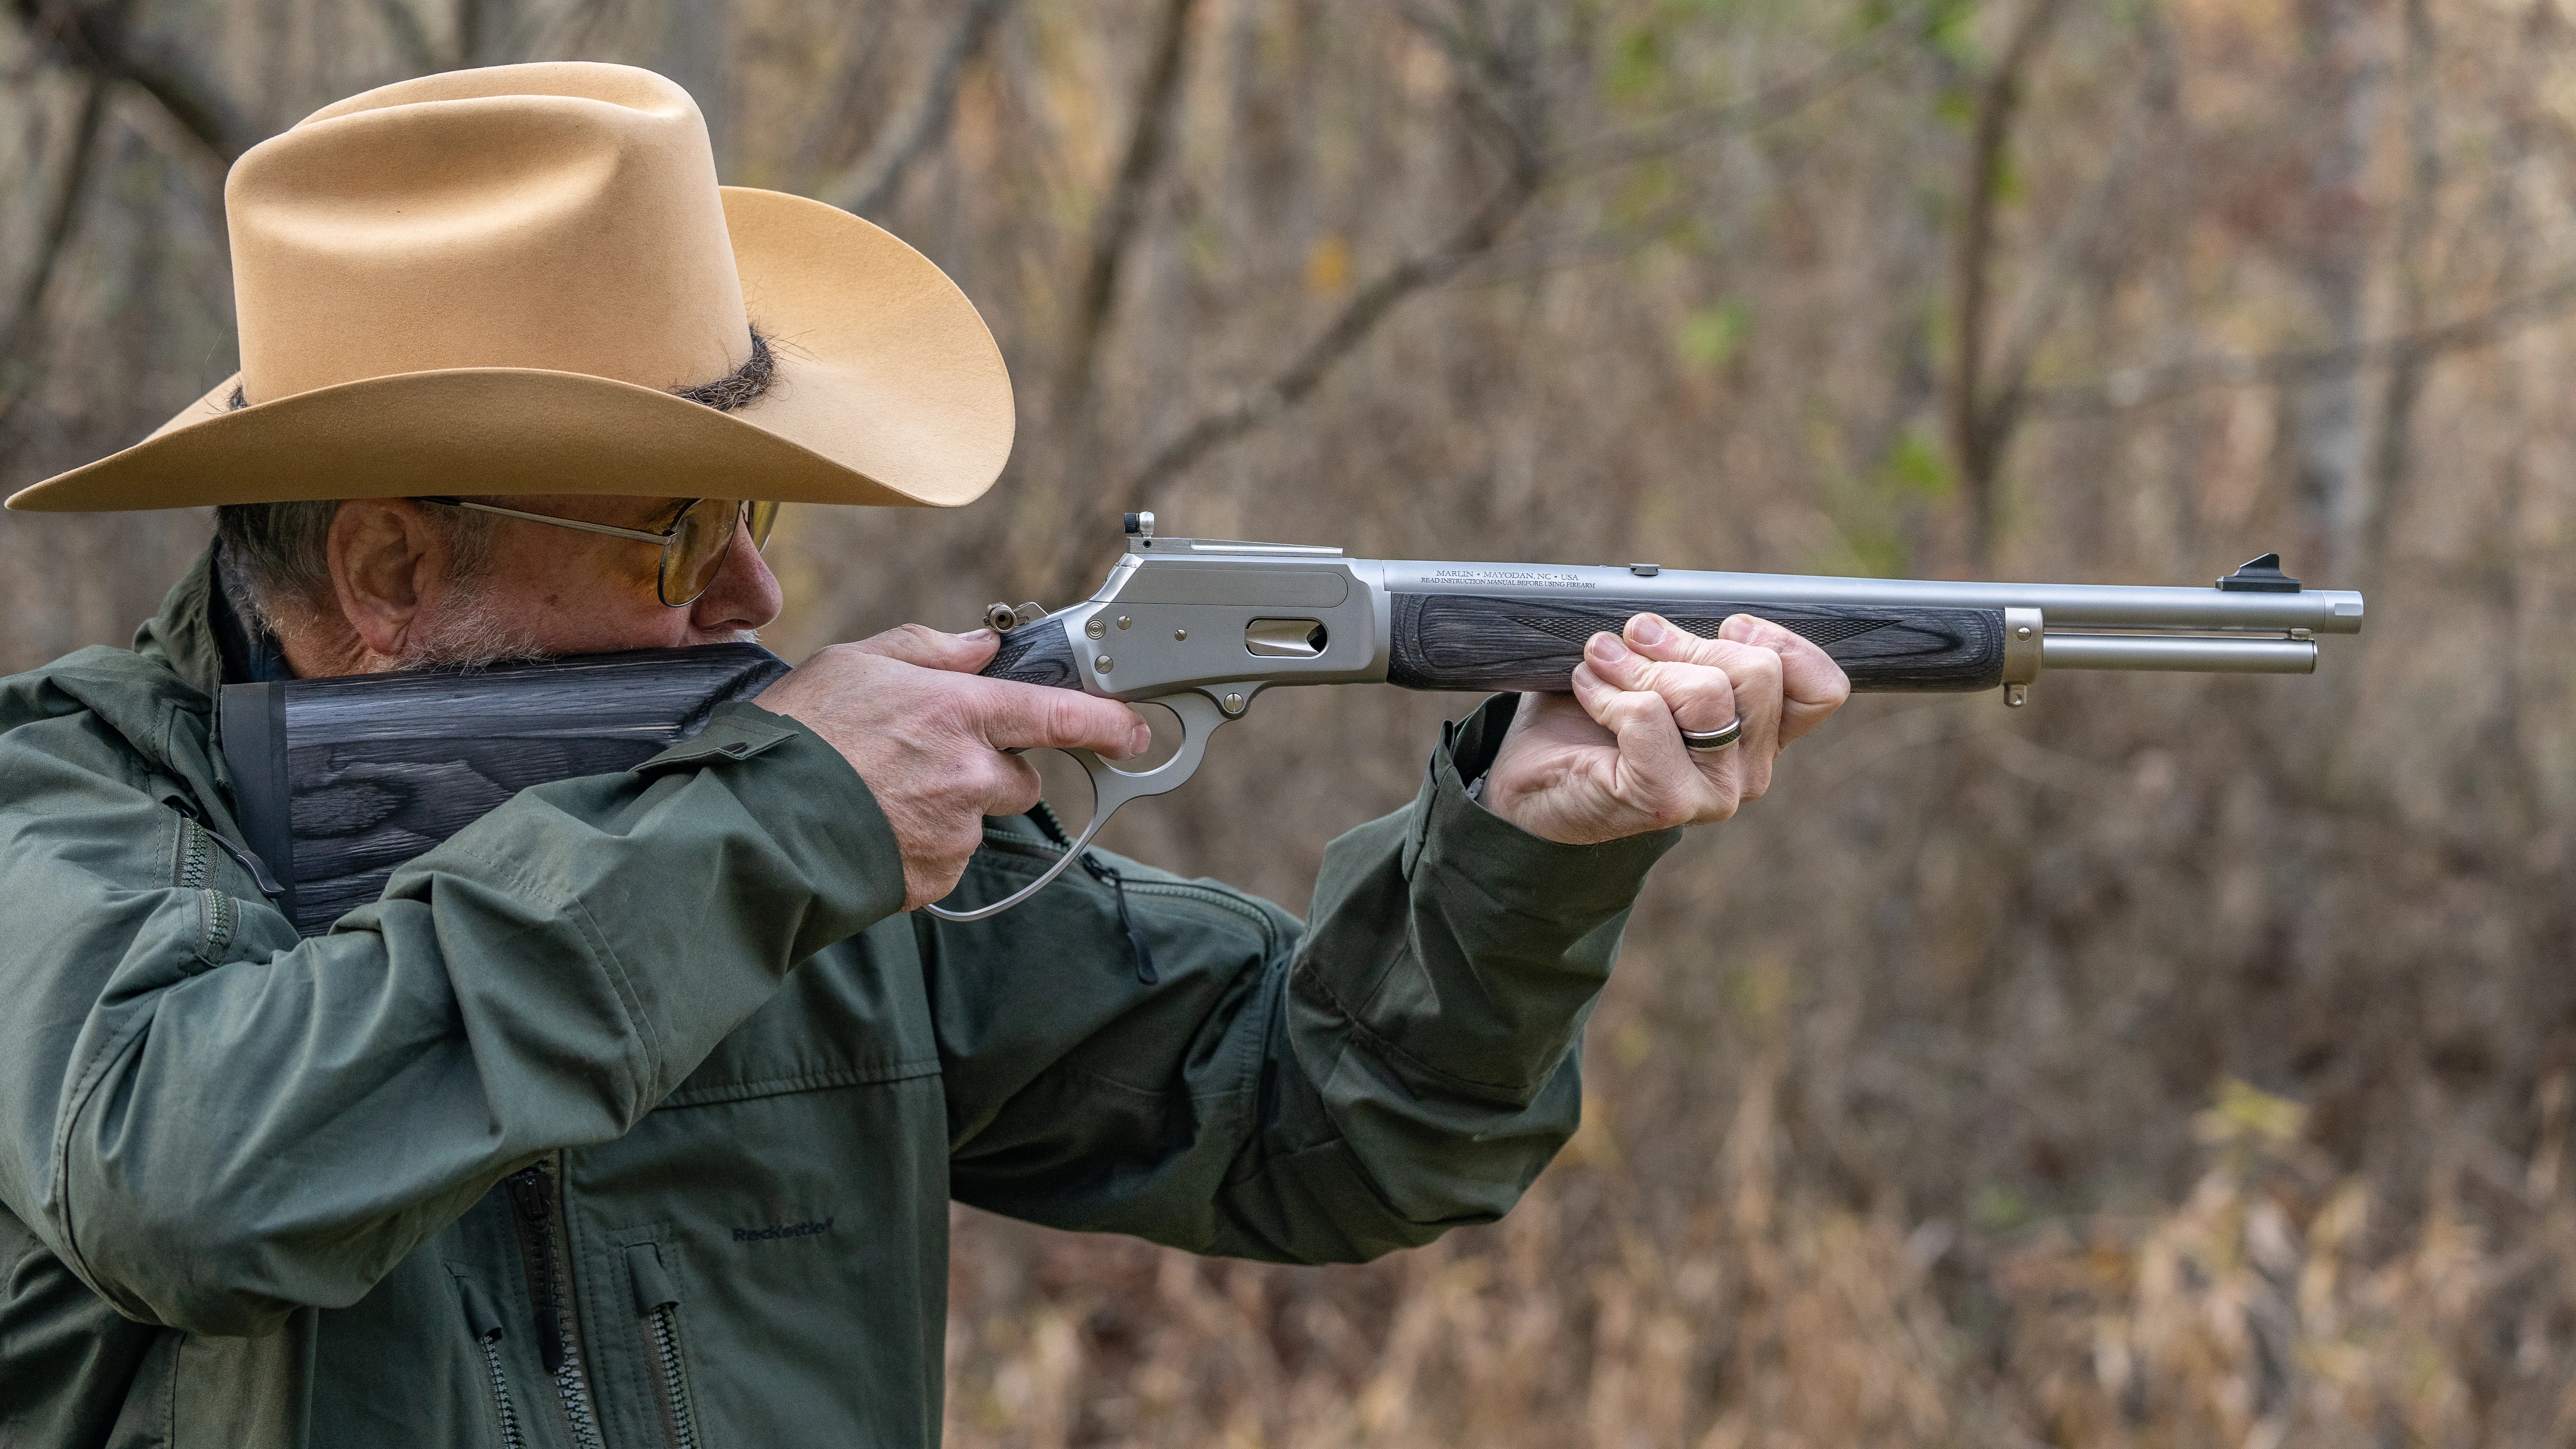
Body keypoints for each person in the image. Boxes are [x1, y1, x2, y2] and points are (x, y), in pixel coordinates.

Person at [0, 63, 1847, 1447]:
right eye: (674, 534)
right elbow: (194, 1175)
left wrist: (1531, 847)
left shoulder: (778, 824)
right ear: (390, 566)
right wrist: (775, 822)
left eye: (755, 515)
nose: (751, 587)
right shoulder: (63, 818)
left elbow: (1322, 1125)